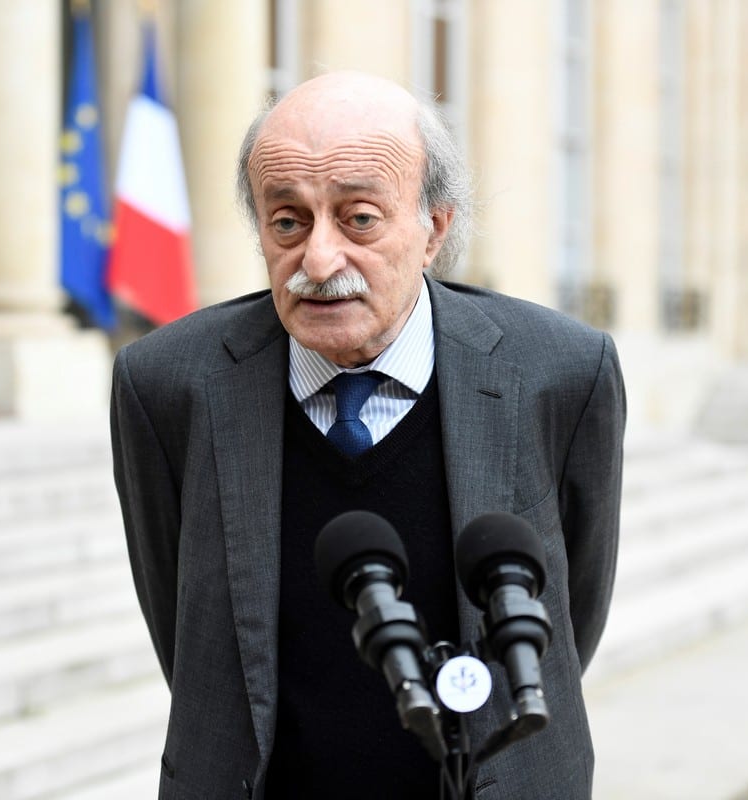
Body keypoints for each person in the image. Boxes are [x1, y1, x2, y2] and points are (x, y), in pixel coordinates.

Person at [110, 71, 625, 799]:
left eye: (358, 219)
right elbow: (188, 629)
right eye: (286, 221)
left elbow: (571, 613)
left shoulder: (561, 372)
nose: (318, 262)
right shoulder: (166, 384)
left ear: (434, 230)